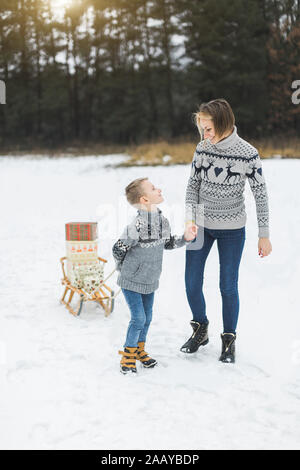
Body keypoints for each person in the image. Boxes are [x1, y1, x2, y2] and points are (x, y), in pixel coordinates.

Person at [182, 98, 272, 363]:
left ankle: (229, 339)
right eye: (201, 129)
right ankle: (200, 329)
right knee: (191, 282)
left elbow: (260, 195)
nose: (204, 135)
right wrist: (190, 220)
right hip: (201, 226)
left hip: (232, 228)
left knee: (227, 286)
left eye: (208, 129)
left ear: (223, 124)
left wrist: (264, 234)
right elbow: (192, 186)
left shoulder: (248, 153)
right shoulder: (202, 149)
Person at [112, 177, 196, 374]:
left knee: (147, 318)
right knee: (138, 318)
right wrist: (123, 268)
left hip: (150, 280)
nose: (159, 189)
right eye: (153, 188)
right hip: (131, 280)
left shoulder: (162, 221)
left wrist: (185, 238)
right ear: (145, 200)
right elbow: (118, 249)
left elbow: (167, 244)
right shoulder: (137, 227)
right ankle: (128, 354)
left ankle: (140, 349)